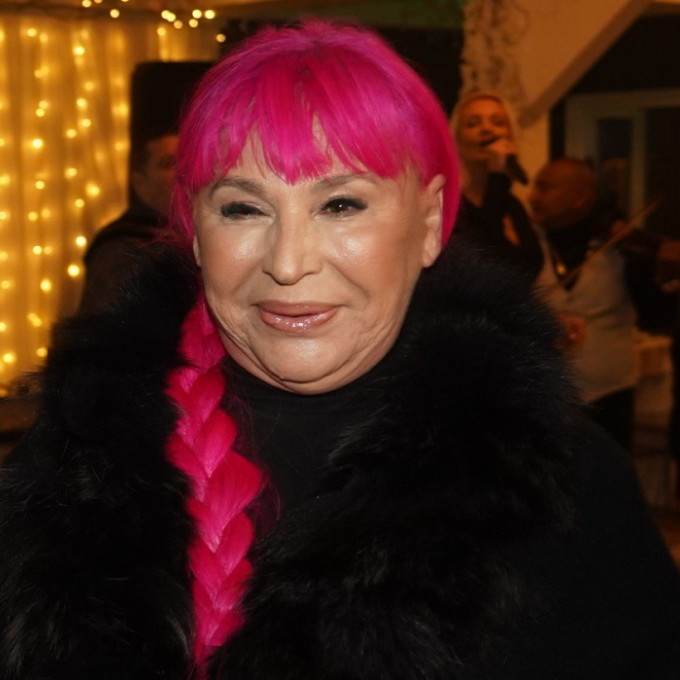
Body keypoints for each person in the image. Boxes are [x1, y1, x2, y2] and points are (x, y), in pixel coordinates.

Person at [1, 20, 679, 680]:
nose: (289, 263)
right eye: (243, 208)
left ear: (428, 223)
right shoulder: (75, 461)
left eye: (342, 205)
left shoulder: (560, 483)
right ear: (195, 231)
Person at [530, 158, 639, 450]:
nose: (533, 196)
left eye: (544, 188)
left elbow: (654, 312)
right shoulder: (526, 243)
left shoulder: (617, 245)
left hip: (611, 393)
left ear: (579, 198)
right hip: (548, 393)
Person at [77, 127, 178, 312]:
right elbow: (103, 326)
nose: (181, 171)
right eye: (168, 163)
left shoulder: (196, 233)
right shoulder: (121, 251)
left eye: (185, 161)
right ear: (140, 183)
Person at [449, 89, 544, 281]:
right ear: (456, 139)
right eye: (472, 124)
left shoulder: (512, 205)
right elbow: (487, 256)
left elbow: (531, 266)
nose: (486, 129)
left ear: (510, 137)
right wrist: (498, 176)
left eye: (498, 123)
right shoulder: (451, 205)